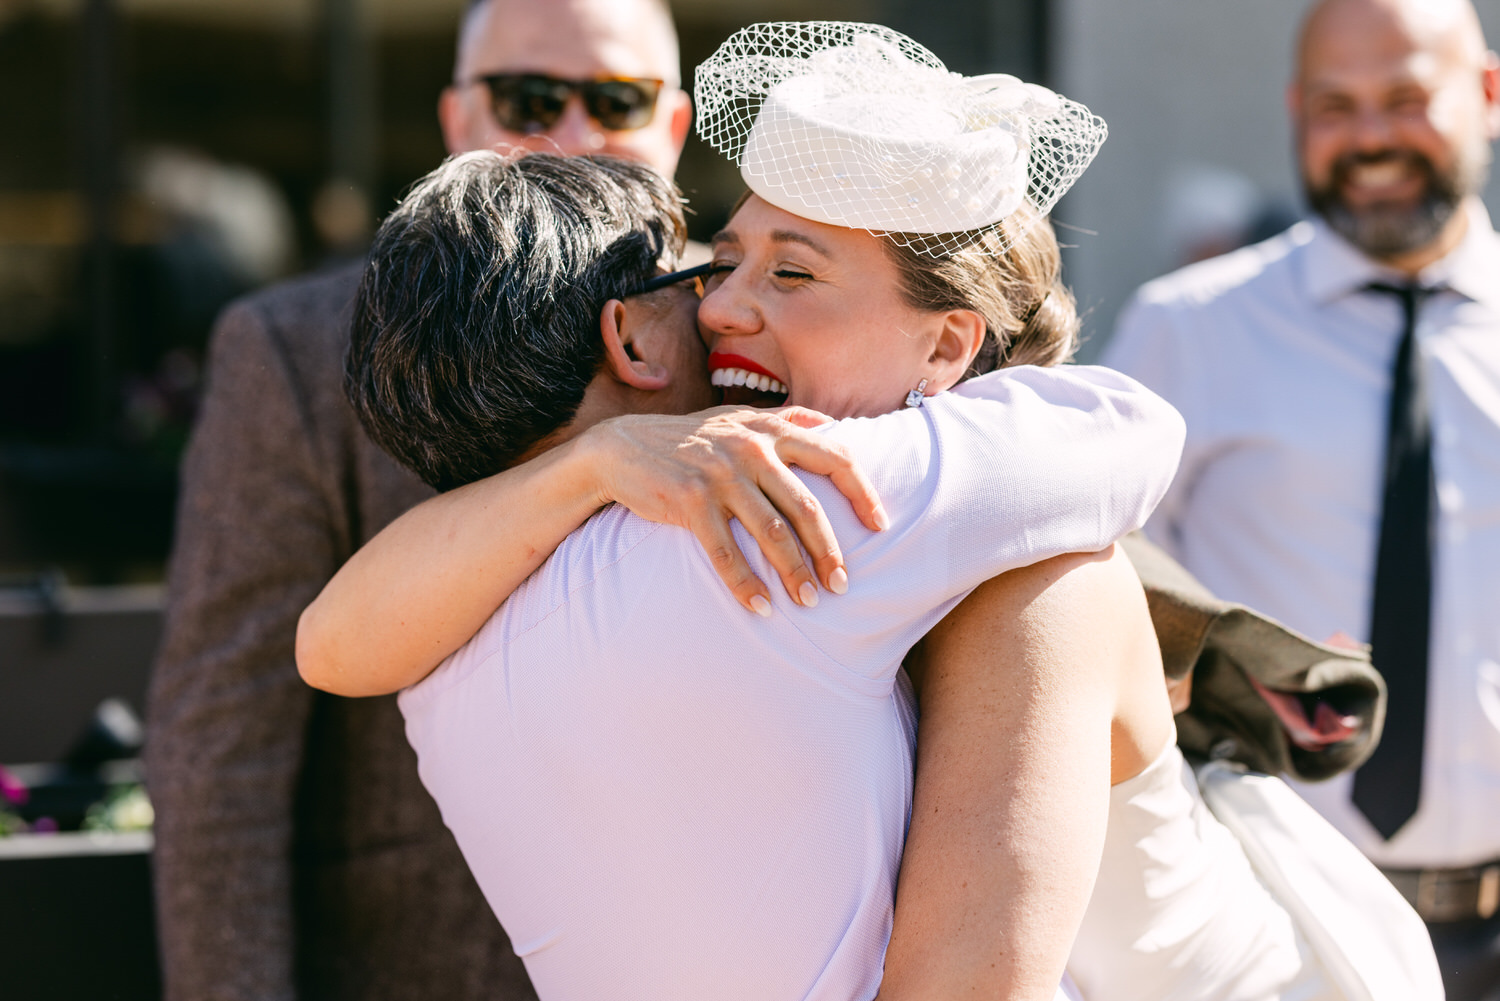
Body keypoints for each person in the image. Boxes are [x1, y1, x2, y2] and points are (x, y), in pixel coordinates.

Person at [300, 23, 1356, 1000]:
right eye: (712, 268)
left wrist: (589, 464)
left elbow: (331, 642)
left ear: (949, 346)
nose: (720, 304)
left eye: (782, 269)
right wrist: (602, 459)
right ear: (626, 340)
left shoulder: (440, 642)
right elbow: (1123, 424)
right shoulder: (783, 508)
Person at [143, 1, 749, 998]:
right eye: (527, 97)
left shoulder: (740, 320)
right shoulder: (294, 348)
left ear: (673, 128)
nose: (572, 129)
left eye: (616, 97)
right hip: (423, 963)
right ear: (456, 118)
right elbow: (222, 746)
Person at [1103, 0, 1500, 997]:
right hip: (1278, 925)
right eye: (1335, 105)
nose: (1369, 137)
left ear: (1488, 94)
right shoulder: (1188, 331)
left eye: (1406, 99)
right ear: (1294, 110)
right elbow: (1100, 585)